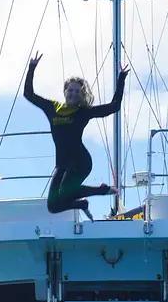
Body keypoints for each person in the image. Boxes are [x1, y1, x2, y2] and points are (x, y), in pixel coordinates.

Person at [24, 52, 129, 216]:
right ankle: (82, 204)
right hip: (62, 163)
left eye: (77, 91)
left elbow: (114, 106)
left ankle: (102, 191)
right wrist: (32, 68)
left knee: (65, 191)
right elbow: (28, 94)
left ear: (81, 94)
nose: (73, 93)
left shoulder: (83, 112)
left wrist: (121, 78)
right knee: (53, 205)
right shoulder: (52, 107)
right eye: (70, 90)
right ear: (65, 91)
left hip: (81, 162)